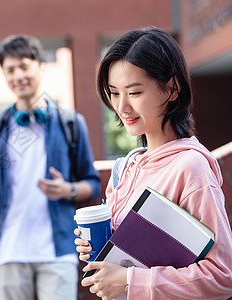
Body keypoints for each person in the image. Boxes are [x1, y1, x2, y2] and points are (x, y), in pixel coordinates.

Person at [74, 27, 232, 299]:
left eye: (134, 93)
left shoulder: (190, 167)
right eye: (114, 93)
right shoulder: (125, 168)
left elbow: (222, 276)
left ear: (171, 89)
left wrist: (129, 280)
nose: (122, 107)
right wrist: (97, 247)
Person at [0, 34, 101, 300]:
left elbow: (92, 183)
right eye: (10, 70)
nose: (18, 76)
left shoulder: (71, 122)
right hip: (9, 249)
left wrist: (67, 189)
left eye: (24, 66)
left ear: (41, 66)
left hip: (58, 248)